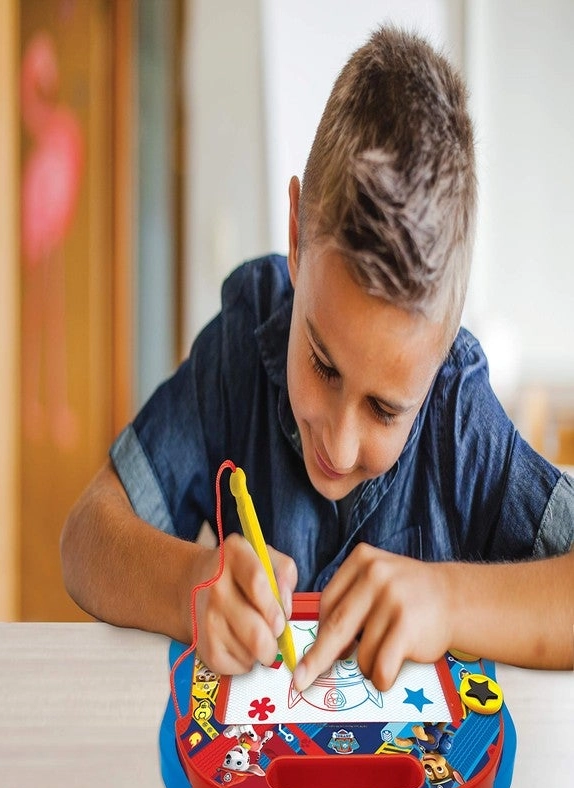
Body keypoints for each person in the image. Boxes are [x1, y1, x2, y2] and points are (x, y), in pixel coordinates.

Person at [61, 26, 574, 693]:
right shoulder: (240, 353)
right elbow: (86, 539)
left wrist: (449, 601)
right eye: (324, 366)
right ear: (299, 236)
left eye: (386, 408)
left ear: (443, 341)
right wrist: (190, 585)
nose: (338, 438)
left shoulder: (457, 417)